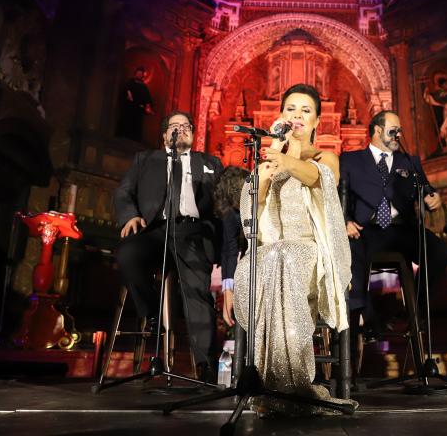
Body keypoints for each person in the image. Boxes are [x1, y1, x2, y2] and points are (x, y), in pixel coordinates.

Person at [228, 83, 357, 414]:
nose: (297, 115)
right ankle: (270, 383)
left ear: (316, 122)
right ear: (280, 116)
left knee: (283, 256)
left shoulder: (324, 157)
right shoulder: (270, 161)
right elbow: (250, 216)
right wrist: (265, 177)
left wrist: (285, 159)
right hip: (271, 251)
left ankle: (294, 384)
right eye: (290, 109)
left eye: (305, 111)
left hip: (311, 252)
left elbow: (319, 180)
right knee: (270, 257)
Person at [113, 110, 223, 380]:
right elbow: (123, 191)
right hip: (155, 229)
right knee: (127, 253)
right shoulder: (145, 160)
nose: (181, 129)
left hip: (193, 232)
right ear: (164, 135)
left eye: (186, 126)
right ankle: (151, 313)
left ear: (194, 134)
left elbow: (222, 204)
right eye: (174, 126)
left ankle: (206, 365)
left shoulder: (209, 163)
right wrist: (130, 215)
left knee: (197, 291)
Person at [340, 110, 447, 342]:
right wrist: (345, 220)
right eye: (393, 130)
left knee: (439, 251)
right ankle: (369, 320)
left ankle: (413, 309)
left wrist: (433, 198)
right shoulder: (350, 160)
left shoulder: (409, 161)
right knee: (352, 256)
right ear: (378, 130)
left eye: (399, 130)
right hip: (366, 230)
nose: (398, 135)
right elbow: (342, 196)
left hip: (402, 229)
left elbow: (427, 190)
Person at [212, 165, 249, 327]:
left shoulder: (254, 191)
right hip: (241, 254)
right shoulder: (228, 209)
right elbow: (230, 249)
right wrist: (228, 291)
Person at [116, 66, 155, 142]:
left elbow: (147, 99)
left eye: (141, 74)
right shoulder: (129, 83)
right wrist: (127, 95)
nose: (139, 75)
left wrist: (148, 106)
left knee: (136, 127)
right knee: (125, 124)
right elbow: (124, 93)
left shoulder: (144, 87)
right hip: (128, 109)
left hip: (138, 111)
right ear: (135, 74)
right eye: (138, 73)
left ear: (142, 75)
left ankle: (133, 141)